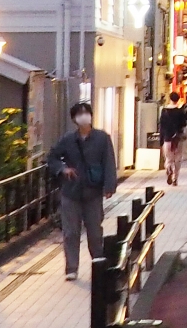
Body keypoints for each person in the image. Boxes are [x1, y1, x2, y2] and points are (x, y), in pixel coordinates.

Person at [46, 102, 119, 281]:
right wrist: (63, 169)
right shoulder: (68, 139)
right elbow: (52, 157)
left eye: (86, 112)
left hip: (93, 191)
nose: (84, 116)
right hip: (70, 191)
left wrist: (110, 186)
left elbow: (109, 161)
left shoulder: (102, 138)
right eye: (80, 114)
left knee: (95, 230)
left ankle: (98, 261)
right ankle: (72, 267)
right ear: (74, 119)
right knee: (70, 231)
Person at [158, 92, 187, 185]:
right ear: (178, 99)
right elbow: (184, 124)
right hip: (177, 138)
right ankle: (175, 179)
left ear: (170, 98)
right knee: (178, 158)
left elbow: (161, 126)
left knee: (168, 158)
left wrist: (161, 140)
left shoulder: (164, 111)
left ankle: (168, 168)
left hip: (167, 138)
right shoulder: (180, 111)